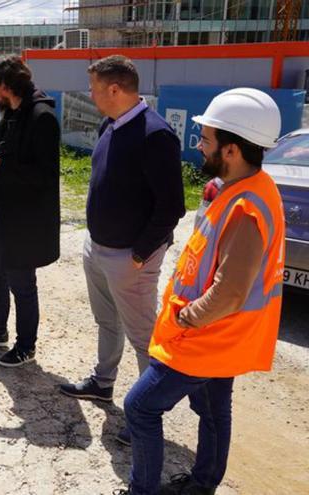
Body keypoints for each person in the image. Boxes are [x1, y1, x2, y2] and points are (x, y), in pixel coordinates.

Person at [118, 88, 284, 495]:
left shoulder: (246, 208)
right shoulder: (245, 188)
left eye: (206, 139)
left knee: (140, 407)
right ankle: (203, 483)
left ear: (231, 150)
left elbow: (229, 293)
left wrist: (185, 316)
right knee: (212, 410)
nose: (199, 145)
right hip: (223, 338)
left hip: (208, 336)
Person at [59, 56, 185, 445]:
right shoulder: (111, 124)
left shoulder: (155, 134)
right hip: (97, 248)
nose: (92, 95)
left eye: (96, 88)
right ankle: (103, 382)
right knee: (107, 322)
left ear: (115, 89)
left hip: (130, 257)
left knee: (144, 337)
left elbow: (172, 207)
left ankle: (146, 417)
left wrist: (140, 253)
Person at [0, 55, 61, 368]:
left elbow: (43, 175)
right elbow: (2, 157)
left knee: (22, 283)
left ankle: (25, 346)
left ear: (6, 85)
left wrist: (0, 167)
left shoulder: (42, 117)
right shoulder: (10, 114)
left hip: (26, 220)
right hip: (2, 212)